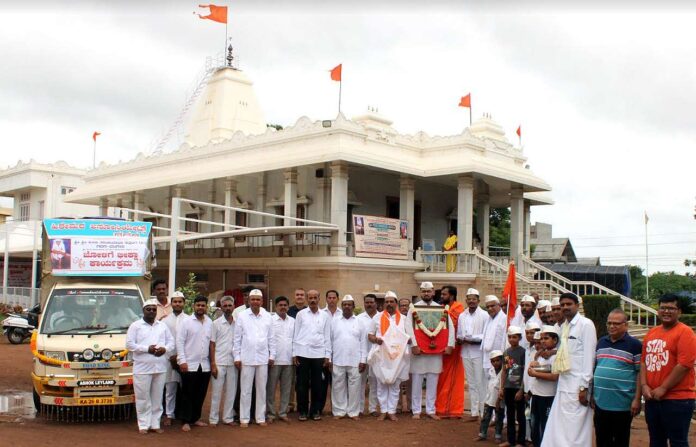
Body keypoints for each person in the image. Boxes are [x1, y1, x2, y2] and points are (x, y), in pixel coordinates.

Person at [541, 292, 597, 447]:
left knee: (576, 429)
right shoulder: (564, 327)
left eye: (568, 304)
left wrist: (584, 387)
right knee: (560, 427)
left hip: (577, 386)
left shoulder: (586, 325)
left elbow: (589, 358)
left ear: (577, 306)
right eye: (562, 305)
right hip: (563, 383)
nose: (565, 307)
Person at [641, 293, 696, 447]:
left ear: (679, 312)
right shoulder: (652, 333)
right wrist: (644, 385)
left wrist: (664, 387)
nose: (666, 311)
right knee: (656, 441)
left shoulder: (685, 333)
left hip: (678, 400)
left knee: (678, 441)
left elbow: (684, 365)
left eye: (671, 308)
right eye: (663, 308)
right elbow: (644, 361)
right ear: (658, 310)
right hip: (652, 398)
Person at [591, 308, 642, 447]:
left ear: (625, 325)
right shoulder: (601, 342)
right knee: (602, 439)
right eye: (609, 323)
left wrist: (637, 399)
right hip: (601, 402)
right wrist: (592, 394)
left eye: (616, 323)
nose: (612, 326)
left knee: (620, 440)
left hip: (622, 404)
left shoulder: (635, 345)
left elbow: (640, 373)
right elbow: (596, 367)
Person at [407, 281, 455, 420]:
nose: (426, 293)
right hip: (419, 351)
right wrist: (414, 345)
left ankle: (430, 410)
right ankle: (416, 410)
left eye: (429, 291)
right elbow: (408, 328)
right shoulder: (413, 309)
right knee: (416, 380)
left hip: (436, 351)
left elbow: (449, 328)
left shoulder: (441, 309)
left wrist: (450, 345)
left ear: (434, 292)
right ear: (420, 292)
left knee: (433, 380)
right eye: (423, 291)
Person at [126, 298, 174, 434]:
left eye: (154, 309)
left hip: (160, 367)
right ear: (143, 311)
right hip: (142, 368)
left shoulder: (162, 326)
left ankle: (155, 424)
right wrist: (147, 349)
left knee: (157, 398)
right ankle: (143, 425)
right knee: (143, 397)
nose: (152, 311)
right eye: (149, 309)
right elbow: (129, 345)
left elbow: (171, 342)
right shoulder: (136, 326)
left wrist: (164, 349)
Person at [233, 289, 275, 428]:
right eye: (253, 299)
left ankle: (260, 417)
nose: (255, 302)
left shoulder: (268, 316)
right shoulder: (242, 316)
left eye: (258, 299)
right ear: (249, 301)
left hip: (263, 358)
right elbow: (237, 339)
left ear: (262, 301)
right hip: (246, 358)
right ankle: (244, 418)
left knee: (261, 389)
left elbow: (271, 338)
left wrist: (272, 355)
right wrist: (237, 357)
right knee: (245, 390)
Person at [368, 291, 410, 421]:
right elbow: (370, 335)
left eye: (392, 301)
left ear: (396, 303)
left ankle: (391, 411)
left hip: (397, 356)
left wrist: (404, 341)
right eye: (387, 302)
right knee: (381, 383)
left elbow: (409, 337)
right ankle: (383, 410)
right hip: (381, 355)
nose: (389, 304)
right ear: (384, 303)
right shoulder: (377, 317)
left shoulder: (404, 319)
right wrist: (376, 340)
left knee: (394, 384)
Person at [293, 289, 331, 421]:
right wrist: (294, 353)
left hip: (319, 354)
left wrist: (327, 356)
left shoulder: (325, 316)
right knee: (302, 384)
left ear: (319, 299)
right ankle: (303, 411)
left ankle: (315, 411)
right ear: (307, 299)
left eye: (315, 297)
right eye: (310, 298)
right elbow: (296, 334)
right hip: (302, 353)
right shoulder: (301, 314)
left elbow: (327, 337)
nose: (313, 300)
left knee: (317, 385)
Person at [176, 295, 213, 432]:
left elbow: (210, 344)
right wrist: (182, 361)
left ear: (206, 307)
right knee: (187, 393)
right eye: (198, 305)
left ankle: (195, 418)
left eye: (203, 305)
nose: (200, 308)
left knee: (200, 393)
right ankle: (185, 420)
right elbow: (179, 342)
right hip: (189, 364)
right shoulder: (186, 322)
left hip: (204, 365)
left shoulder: (209, 322)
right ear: (193, 306)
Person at [330, 295, 367, 419]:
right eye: (344, 304)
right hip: (338, 359)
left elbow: (363, 343)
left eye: (349, 304)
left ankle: (353, 412)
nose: (346, 306)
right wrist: (329, 359)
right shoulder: (334, 321)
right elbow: (329, 341)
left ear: (353, 306)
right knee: (337, 386)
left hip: (355, 360)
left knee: (355, 387)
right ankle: (339, 411)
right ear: (342, 306)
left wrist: (363, 360)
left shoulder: (359, 322)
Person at [457, 287, 489, 421]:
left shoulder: (484, 315)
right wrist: (460, 339)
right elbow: (459, 332)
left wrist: (472, 339)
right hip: (465, 352)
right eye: (469, 299)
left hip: (478, 352)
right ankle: (474, 413)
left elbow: (486, 334)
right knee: (471, 383)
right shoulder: (462, 315)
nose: (471, 301)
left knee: (481, 382)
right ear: (466, 300)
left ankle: (484, 413)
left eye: (474, 299)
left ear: (478, 300)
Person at [435, 285, 466, 418]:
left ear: (452, 296)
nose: (441, 297)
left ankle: (453, 409)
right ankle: (441, 407)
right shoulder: (440, 308)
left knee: (453, 379)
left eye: (444, 294)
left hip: (454, 350)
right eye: (441, 294)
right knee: (441, 378)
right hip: (441, 349)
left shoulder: (459, 310)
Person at [528, 325, 559, 447]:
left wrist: (536, 372)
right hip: (536, 394)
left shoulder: (556, 356)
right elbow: (530, 370)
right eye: (541, 339)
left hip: (548, 396)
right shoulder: (540, 354)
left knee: (545, 425)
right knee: (534, 424)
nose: (542, 341)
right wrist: (534, 369)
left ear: (555, 340)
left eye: (546, 338)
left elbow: (554, 376)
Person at [209, 296, 237, 426]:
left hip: (233, 362)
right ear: (221, 307)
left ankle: (228, 418)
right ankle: (213, 419)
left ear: (233, 307)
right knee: (216, 392)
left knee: (231, 391)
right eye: (225, 306)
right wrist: (213, 364)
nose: (227, 308)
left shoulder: (238, 323)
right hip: (219, 362)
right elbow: (212, 344)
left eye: (229, 306)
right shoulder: (216, 324)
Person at [267, 296, 295, 422]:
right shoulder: (270, 321)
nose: (283, 307)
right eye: (280, 305)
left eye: (285, 305)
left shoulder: (293, 321)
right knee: (271, 388)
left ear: (288, 307)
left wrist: (294, 355)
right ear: (276, 307)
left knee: (286, 388)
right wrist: (270, 356)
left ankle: (283, 412)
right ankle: (270, 414)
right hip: (274, 361)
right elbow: (268, 340)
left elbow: (295, 340)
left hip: (289, 360)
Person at [500, 325, 526, 447]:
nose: (512, 339)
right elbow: (504, 371)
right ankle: (510, 440)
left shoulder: (523, 352)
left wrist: (521, 389)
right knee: (510, 414)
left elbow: (525, 372)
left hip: (518, 388)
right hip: (508, 387)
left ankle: (520, 441)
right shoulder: (506, 352)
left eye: (514, 337)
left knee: (520, 415)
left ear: (519, 338)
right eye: (510, 337)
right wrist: (502, 387)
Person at [162, 291, 186, 426]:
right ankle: (169, 414)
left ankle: (184, 415)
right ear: (171, 303)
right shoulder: (165, 321)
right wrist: (170, 356)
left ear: (184, 303)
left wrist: (182, 357)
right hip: (169, 358)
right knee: (170, 388)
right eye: (175, 301)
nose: (177, 304)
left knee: (185, 389)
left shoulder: (189, 319)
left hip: (184, 359)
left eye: (180, 301)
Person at [475, 350, 505, 443]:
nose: (495, 363)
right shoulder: (491, 371)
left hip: (499, 400)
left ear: (502, 360)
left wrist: (499, 399)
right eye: (493, 361)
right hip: (489, 398)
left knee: (499, 418)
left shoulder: (504, 371)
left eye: (497, 360)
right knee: (486, 417)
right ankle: (482, 434)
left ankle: (498, 435)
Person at [320, 289, 341, 414]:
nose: (332, 300)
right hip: (323, 355)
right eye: (329, 298)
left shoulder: (342, 313)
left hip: (339, 355)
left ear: (337, 299)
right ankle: (319, 408)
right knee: (322, 384)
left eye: (334, 298)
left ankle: (337, 409)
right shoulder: (321, 314)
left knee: (337, 384)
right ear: (326, 299)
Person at [357, 294, 379, 416]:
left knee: (374, 382)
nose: (369, 304)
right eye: (367, 302)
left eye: (371, 302)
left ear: (376, 303)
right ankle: (359, 409)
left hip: (376, 356)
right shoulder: (359, 318)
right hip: (362, 356)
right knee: (360, 383)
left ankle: (373, 409)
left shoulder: (381, 317)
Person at [481, 295, 507, 375]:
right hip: (487, 356)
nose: (490, 309)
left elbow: (505, 339)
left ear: (499, 305)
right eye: (487, 307)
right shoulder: (488, 319)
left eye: (492, 306)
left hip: (498, 357)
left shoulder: (504, 318)